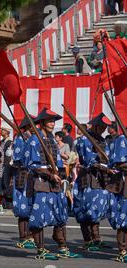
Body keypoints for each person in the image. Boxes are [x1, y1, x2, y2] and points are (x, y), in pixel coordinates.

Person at [25, 107, 82, 260]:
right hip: (41, 182)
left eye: (53, 121)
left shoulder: (51, 139)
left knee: (60, 213)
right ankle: (41, 249)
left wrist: (63, 175)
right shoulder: (33, 140)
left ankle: (62, 247)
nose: (52, 123)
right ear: (42, 122)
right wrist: (50, 175)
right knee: (39, 216)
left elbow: (57, 161)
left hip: (55, 182)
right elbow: (33, 165)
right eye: (49, 121)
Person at [73, 113, 114, 251]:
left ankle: (96, 238)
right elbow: (89, 160)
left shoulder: (102, 140)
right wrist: (102, 163)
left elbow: (108, 158)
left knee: (97, 208)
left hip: (101, 178)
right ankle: (87, 240)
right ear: (95, 125)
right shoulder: (84, 139)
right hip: (88, 177)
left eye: (105, 127)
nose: (103, 129)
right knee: (85, 208)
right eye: (101, 126)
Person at [12, 116, 36, 249]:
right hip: (23, 175)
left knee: (32, 207)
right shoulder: (20, 139)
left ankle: (31, 236)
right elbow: (17, 159)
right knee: (23, 208)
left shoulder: (33, 138)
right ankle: (24, 237)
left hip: (33, 176)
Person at [107, 125, 127, 263]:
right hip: (125, 184)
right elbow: (119, 163)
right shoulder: (122, 139)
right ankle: (123, 250)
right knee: (124, 219)